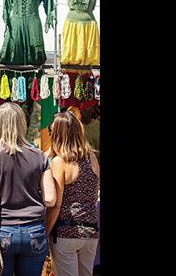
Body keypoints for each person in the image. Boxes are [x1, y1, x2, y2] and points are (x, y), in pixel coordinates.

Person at [0, 102, 57, 276]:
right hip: (34, 231)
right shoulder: (40, 156)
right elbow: (50, 198)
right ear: (23, 124)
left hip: (0, 230)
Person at [46, 112, 100, 276]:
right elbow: (93, 194)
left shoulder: (60, 162)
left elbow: (56, 204)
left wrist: (45, 231)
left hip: (65, 231)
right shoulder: (92, 158)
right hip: (90, 232)